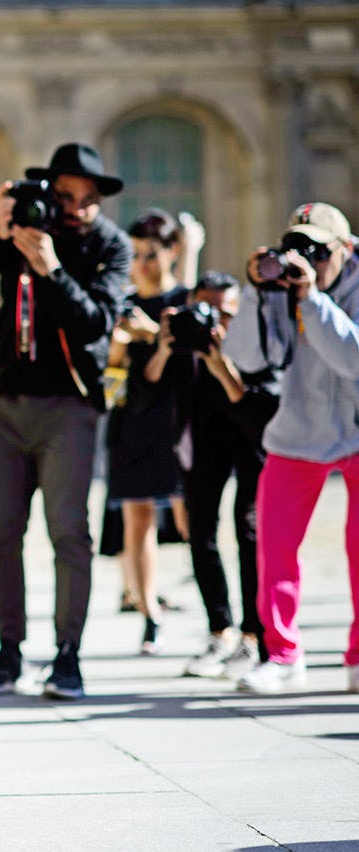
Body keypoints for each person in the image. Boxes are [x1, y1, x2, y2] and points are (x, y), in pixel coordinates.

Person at [0, 142, 130, 700]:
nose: (74, 207)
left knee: (69, 534)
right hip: (5, 404)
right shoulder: (21, 228)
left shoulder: (110, 246)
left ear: (99, 200)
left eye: (87, 199)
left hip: (68, 407)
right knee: (0, 534)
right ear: (50, 193)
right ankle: (9, 653)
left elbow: (97, 322)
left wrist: (51, 270)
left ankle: (68, 658)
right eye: (65, 196)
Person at [223, 202, 359, 695]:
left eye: (319, 251)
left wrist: (313, 299)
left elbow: (353, 359)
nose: (308, 260)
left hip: (357, 431)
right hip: (298, 432)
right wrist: (258, 293)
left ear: (346, 249)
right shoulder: (281, 287)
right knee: (274, 545)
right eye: (297, 248)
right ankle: (281, 655)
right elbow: (245, 357)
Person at [154, 272, 279, 680]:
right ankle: (218, 630)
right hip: (202, 438)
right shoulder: (182, 338)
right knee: (201, 531)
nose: (215, 321)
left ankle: (252, 635)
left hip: (249, 438)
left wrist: (222, 362)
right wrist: (164, 343)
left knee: (249, 531)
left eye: (226, 312)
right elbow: (148, 384)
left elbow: (263, 403)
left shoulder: (255, 336)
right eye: (205, 310)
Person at [101, 209, 191, 655]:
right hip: (132, 423)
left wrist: (154, 335)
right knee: (137, 522)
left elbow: (191, 368)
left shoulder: (185, 301)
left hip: (179, 425)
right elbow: (110, 391)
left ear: (171, 253)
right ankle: (148, 612)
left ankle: (219, 613)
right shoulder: (123, 306)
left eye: (150, 254)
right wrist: (118, 348)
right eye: (135, 255)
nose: (141, 264)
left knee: (191, 518)